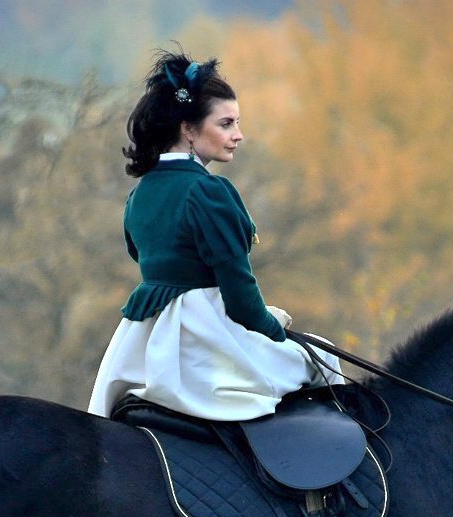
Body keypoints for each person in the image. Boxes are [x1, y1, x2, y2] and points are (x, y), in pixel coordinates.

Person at [88, 49, 344, 422]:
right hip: (205, 337)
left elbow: (151, 263)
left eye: (237, 123)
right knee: (321, 355)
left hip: (143, 342)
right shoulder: (207, 192)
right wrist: (274, 331)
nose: (238, 135)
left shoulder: (138, 195)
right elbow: (239, 295)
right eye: (226, 124)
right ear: (188, 129)